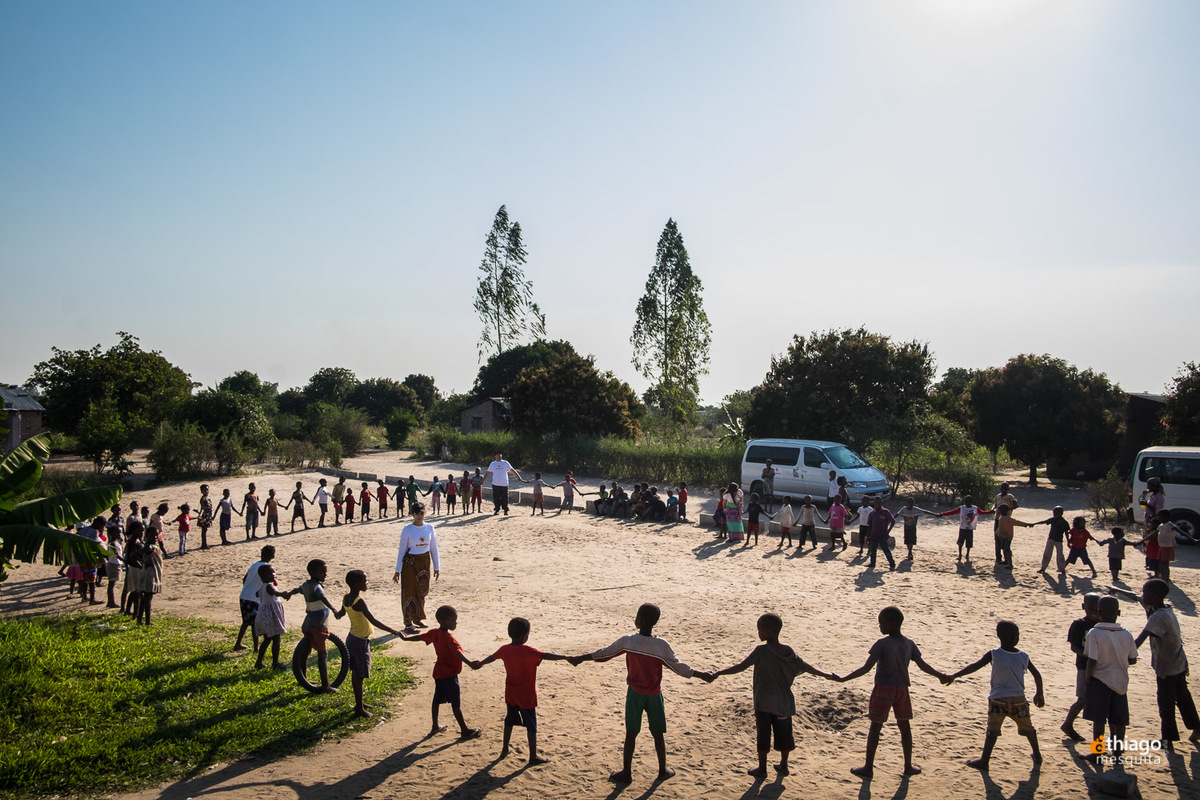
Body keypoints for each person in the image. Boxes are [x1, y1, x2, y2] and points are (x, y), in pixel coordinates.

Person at [568, 603, 714, 783]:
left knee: (631, 733)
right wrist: (701, 675)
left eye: (637, 616)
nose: (635, 619)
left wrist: (580, 658)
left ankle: (626, 772)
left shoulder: (628, 641)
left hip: (635, 694)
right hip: (654, 695)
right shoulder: (661, 646)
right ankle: (662, 771)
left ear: (642, 620)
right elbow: (678, 667)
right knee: (658, 733)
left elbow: (605, 654)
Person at [712, 613, 837, 777]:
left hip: (763, 703)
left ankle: (762, 769)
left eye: (759, 629)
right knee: (784, 735)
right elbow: (806, 667)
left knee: (763, 735)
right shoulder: (788, 651)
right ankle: (784, 765)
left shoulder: (761, 651)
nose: (758, 632)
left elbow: (741, 666)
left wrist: (719, 673)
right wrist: (826, 674)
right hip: (783, 703)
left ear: (767, 631)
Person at [837, 606, 951, 778]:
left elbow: (866, 668)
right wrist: (940, 676)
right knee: (904, 727)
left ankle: (868, 767)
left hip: (883, 689)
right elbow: (923, 665)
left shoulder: (882, 644)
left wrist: (844, 679)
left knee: (875, 727)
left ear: (891, 624)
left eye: (881, 623)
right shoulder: (909, 644)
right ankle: (908, 766)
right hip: (902, 690)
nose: (879, 626)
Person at [947, 620, 1045, 771]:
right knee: (1029, 729)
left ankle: (984, 761)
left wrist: (955, 675)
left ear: (999, 636)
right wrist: (1039, 693)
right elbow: (1037, 675)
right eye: (1016, 635)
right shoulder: (1023, 656)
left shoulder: (994, 654)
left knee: (992, 732)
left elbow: (975, 666)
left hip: (998, 699)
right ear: (1015, 638)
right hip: (1018, 699)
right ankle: (1037, 755)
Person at [472, 617, 569, 764]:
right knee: (531, 725)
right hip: (526, 695)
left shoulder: (504, 649)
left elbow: (492, 657)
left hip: (511, 693)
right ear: (524, 636)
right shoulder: (529, 651)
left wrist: (480, 663)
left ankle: (505, 748)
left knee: (509, 720)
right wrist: (565, 657)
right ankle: (533, 756)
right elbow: (546, 655)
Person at [399, 605, 482, 739]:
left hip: (439, 673)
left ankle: (435, 726)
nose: (455, 623)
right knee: (455, 703)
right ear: (443, 622)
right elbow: (458, 653)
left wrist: (406, 638)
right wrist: (470, 663)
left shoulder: (434, 633)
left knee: (437, 699)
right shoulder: (449, 638)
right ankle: (464, 730)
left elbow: (420, 637)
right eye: (453, 620)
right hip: (449, 674)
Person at [1136, 578, 1200, 748]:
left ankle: (1167, 740)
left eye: (1145, 593)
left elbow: (1140, 640)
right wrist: (1119, 592)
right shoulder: (1166, 610)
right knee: (1183, 698)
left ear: (1154, 596)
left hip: (1167, 668)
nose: (1143, 596)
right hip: (1179, 663)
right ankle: (1197, 728)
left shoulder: (1158, 617)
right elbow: (1140, 601)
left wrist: (1121, 651)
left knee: (1166, 704)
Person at [1082, 596, 1138, 763]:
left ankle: (1097, 753)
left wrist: (1087, 677)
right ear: (1118, 613)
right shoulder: (1126, 634)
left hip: (1099, 680)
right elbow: (1133, 659)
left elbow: (1092, 659)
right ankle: (1117, 753)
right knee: (1119, 720)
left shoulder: (1094, 633)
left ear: (1099, 612)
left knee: (1099, 719)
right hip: (1120, 681)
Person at [341, 569, 401, 717]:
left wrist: (336, 613)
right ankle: (359, 708)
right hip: (359, 641)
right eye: (365, 581)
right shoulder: (359, 601)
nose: (367, 583)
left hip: (353, 638)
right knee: (359, 675)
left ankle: (360, 703)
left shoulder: (346, 597)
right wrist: (393, 631)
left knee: (357, 672)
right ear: (357, 585)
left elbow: (341, 613)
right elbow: (373, 620)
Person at [294, 559, 345, 693]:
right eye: (322, 572)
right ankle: (326, 686)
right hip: (319, 624)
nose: (325, 575)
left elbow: (296, 590)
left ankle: (303, 679)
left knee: (305, 652)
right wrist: (334, 609)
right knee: (322, 654)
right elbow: (323, 597)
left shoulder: (305, 585)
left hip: (308, 623)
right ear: (312, 572)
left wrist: (287, 594)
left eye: (325, 572)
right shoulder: (317, 587)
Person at [393, 502, 440, 633]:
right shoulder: (407, 529)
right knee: (409, 591)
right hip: (410, 563)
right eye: (417, 513)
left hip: (424, 563)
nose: (419, 516)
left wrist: (437, 566)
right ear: (412, 514)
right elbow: (402, 550)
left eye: (421, 513)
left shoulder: (430, 528)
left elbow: (434, 548)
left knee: (422, 591)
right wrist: (397, 570)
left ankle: (418, 618)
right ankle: (408, 622)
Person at [1061, 592, 1101, 742]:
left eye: (1097, 609)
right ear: (1083, 607)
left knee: (1099, 700)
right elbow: (1074, 647)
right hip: (1084, 666)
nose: (1094, 612)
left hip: (1102, 666)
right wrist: (1090, 655)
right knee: (1083, 699)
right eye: (1090, 608)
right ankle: (1068, 724)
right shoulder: (1078, 625)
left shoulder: (1103, 624)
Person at [234, 545, 276, 652]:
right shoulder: (266, 568)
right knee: (255, 624)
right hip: (253, 598)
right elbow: (267, 582)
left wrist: (248, 587)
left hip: (244, 595)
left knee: (245, 622)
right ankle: (256, 648)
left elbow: (244, 579)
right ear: (273, 556)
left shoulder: (254, 564)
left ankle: (238, 643)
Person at [254, 563, 292, 670]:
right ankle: (275, 663)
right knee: (276, 639)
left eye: (273, 572)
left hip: (263, 616)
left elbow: (257, 594)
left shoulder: (263, 587)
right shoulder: (269, 586)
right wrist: (282, 594)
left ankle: (259, 662)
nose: (274, 574)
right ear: (263, 576)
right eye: (270, 573)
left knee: (267, 639)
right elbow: (275, 593)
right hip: (270, 617)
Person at [938, 496, 992, 561]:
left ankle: (967, 554)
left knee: (969, 543)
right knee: (960, 543)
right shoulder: (962, 508)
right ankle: (960, 554)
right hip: (962, 528)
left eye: (968, 501)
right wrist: (942, 514)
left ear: (971, 502)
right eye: (966, 501)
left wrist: (990, 512)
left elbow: (982, 512)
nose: (967, 503)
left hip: (970, 528)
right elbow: (952, 512)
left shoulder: (975, 508)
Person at [994, 504, 1034, 569]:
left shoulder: (1008, 519)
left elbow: (1017, 522)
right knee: (1004, 548)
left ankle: (1010, 564)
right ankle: (1006, 561)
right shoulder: (1001, 518)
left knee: (1007, 549)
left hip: (1008, 536)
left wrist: (1026, 524)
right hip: (1002, 536)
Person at [894, 497, 934, 561]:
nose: (910, 504)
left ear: (913, 503)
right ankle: (909, 552)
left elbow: (925, 511)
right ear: (907, 503)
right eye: (909, 502)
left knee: (912, 540)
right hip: (906, 527)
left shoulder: (916, 509)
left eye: (911, 502)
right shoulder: (903, 509)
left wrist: (935, 514)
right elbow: (897, 515)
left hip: (913, 527)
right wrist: (889, 519)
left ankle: (910, 552)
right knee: (907, 540)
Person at [1036, 505, 1070, 574]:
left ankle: (1062, 569)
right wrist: (1035, 523)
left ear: (1061, 513)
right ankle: (1043, 568)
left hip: (1059, 541)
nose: (1054, 514)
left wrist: (1068, 541)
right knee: (1047, 554)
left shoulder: (1064, 522)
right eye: (1054, 513)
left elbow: (1066, 532)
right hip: (1051, 539)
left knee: (1060, 555)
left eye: (1056, 513)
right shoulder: (1053, 520)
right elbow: (1044, 522)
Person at [865, 497, 896, 571]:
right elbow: (870, 525)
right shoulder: (872, 513)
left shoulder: (885, 512)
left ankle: (892, 563)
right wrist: (868, 536)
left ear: (881, 503)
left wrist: (888, 531)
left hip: (882, 534)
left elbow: (893, 521)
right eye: (875, 502)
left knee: (886, 549)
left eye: (878, 502)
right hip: (873, 534)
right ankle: (872, 563)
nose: (877, 504)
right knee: (873, 550)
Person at [992, 482, 1020, 563]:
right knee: (997, 539)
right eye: (1002, 488)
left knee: (1005, 539)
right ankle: (998, 557)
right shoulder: (998, 496)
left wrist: (1007, 509)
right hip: (997, 519)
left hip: (1005, 519)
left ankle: (1007, 559)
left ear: (1008, 489)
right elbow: (995, 505)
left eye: (1005, 488)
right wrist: (993, 509)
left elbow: (1016, 505)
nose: (1003, 489)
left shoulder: (1010, 497)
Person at [197, 484, 214, 550]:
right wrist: (200, 515)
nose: (206, 491)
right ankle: (204, 544)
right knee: (204, 530)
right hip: (204, 516)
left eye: (207, 489)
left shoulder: (208, 497)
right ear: (201, 491)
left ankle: (204, 543)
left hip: (208, 515)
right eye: (204, 490)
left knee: (205, 529)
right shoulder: (203, 499)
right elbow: (202, 508)